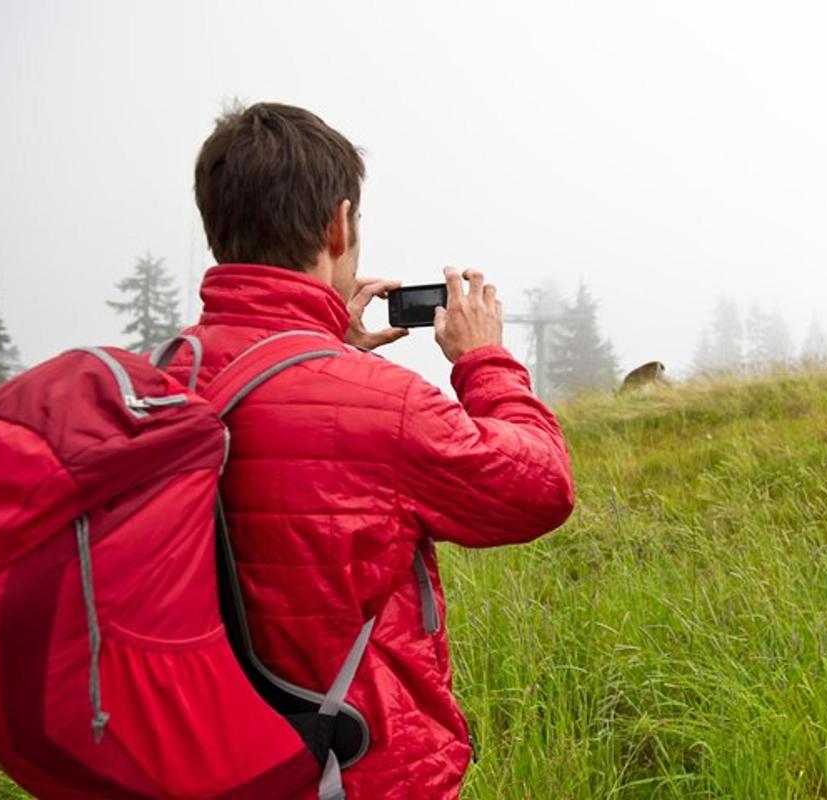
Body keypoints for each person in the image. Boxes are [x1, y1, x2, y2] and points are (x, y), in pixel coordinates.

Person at [173, 102, 575, 798]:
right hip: (352, 767)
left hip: (191, 764)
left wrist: (322, 348)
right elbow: (540, 490)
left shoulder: (156, 378)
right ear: (338, 224)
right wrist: (483, 361)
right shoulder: (385, 405)